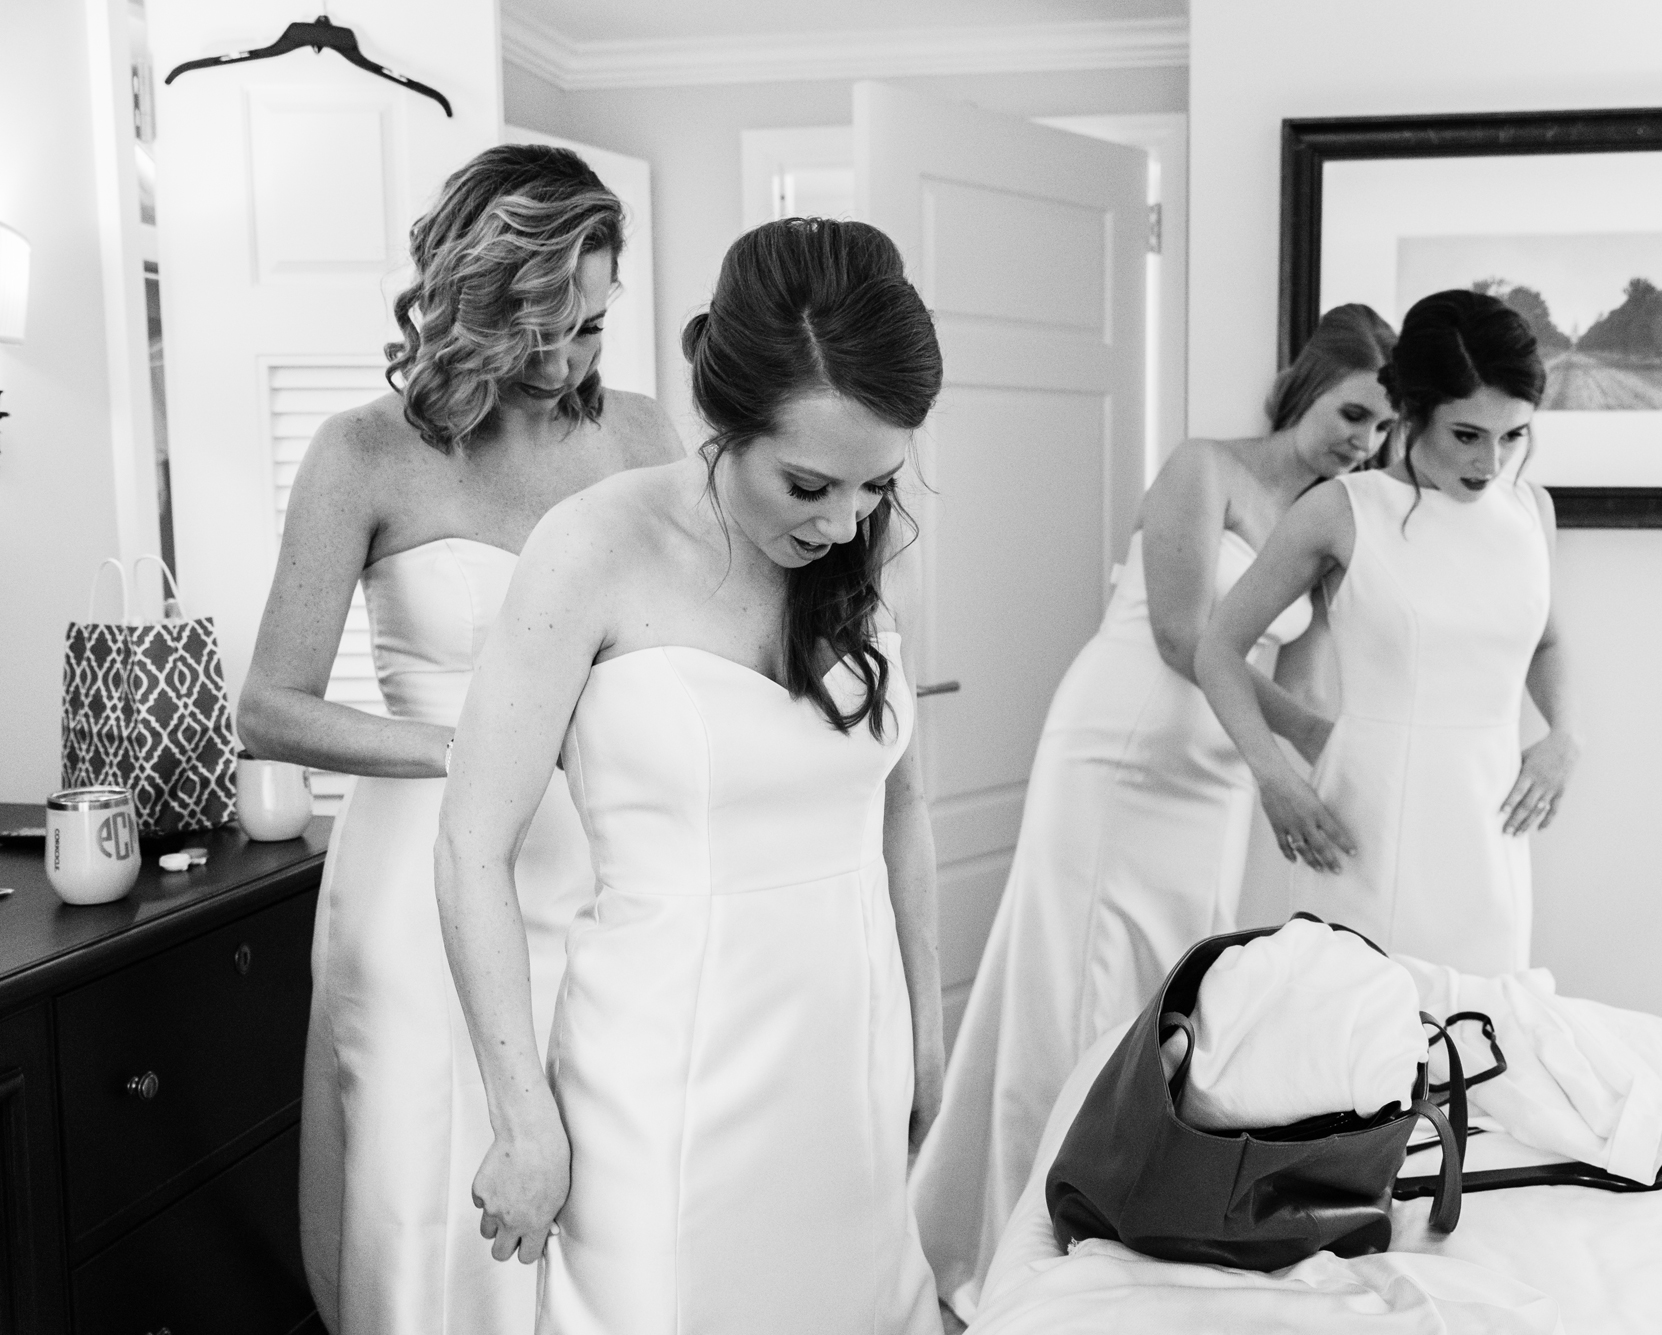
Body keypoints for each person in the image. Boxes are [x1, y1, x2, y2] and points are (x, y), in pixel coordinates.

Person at [432, 217, 946, 1334]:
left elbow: (899, 801)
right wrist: (525, 1122)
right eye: (808, 483)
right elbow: (472, 845)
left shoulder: (866, 551)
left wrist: (926, 1033)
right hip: (666, 1068)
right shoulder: (590, 549)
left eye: (873, 484)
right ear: (724, 418)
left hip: (844, 1057)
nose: (844, 520)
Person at [236, 144, 680, 1334]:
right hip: (417, 875)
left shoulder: (641, 438)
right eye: (538, 330)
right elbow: (267, 705)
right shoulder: (362, 455)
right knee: (425, 1177)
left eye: (588, 329)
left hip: (595, 866)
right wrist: (474, 752)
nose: (563, 363)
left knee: (600, 1159)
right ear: (471, 305)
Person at [910, 305, 1399, 1318]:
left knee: (1162, 1000)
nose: (1363, 440)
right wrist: (1296, 753)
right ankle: (1008, 1252)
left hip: (1218, 783)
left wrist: (1311, 762)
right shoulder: (1202, 466)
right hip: (1117, 757)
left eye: (1382, 429)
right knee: (1065, 995)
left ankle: (1117, 1237)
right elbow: (1186, 638)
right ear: (1309, 381)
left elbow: (1299, 667)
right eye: (1354, 411)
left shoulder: (1330, 517)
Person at [1195, 288, 1582, 976]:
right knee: (1364, 1038)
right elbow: (1217, 647)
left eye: (1513, 435)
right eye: (1468, 434)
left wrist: (1563, 736)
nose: (1491, 464)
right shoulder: (1342, 511)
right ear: (1411, 414)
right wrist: (1273, 774)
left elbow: (1546, 641)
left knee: (1483, 1043)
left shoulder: (1530, 510)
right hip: (1367, 821)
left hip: (1490, 825)